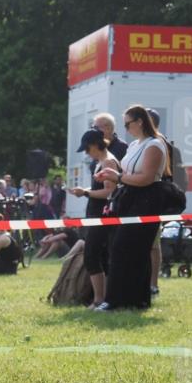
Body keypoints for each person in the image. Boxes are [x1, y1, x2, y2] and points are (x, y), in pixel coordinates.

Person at [93, 105, 169, 311]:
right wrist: (110, 173)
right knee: (123, 249)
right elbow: (127, 173)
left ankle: (118, 300)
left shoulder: (155, 145)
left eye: (128, 124)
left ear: (140, 122)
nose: (125, 128)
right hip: (129, 199)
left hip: (146, 201)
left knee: (127, 249)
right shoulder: (136, 144)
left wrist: (117, 177)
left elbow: (146, 178)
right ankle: (134, 300)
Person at [68, 129, 119, 307]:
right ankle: (101, 298)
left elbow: (109, 191)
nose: (87, 153)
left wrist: (86, 193)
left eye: (87, 149)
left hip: (103, 216)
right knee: (98, 256)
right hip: (96, 214)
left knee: (92, 255)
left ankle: (99, 300)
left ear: (95, 144)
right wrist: (85, 191)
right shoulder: (101, 162)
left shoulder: (108, 162)